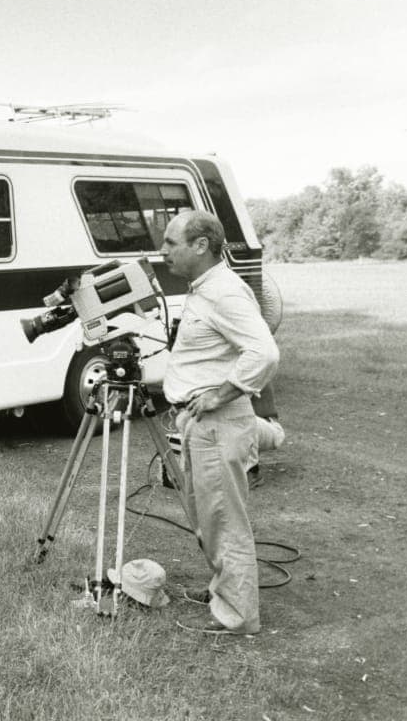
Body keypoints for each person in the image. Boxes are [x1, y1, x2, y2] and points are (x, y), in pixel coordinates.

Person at [161, 210, 279, 636]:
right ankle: (223, 592)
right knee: (208, 518)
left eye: (171, 242)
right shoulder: (205, 290)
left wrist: (220, 393)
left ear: (201, 245)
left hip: (216, 422)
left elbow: (263, 353)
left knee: (225, 522)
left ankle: (239, 616)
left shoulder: (225, 292)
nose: (163, 251)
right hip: (200, 423)